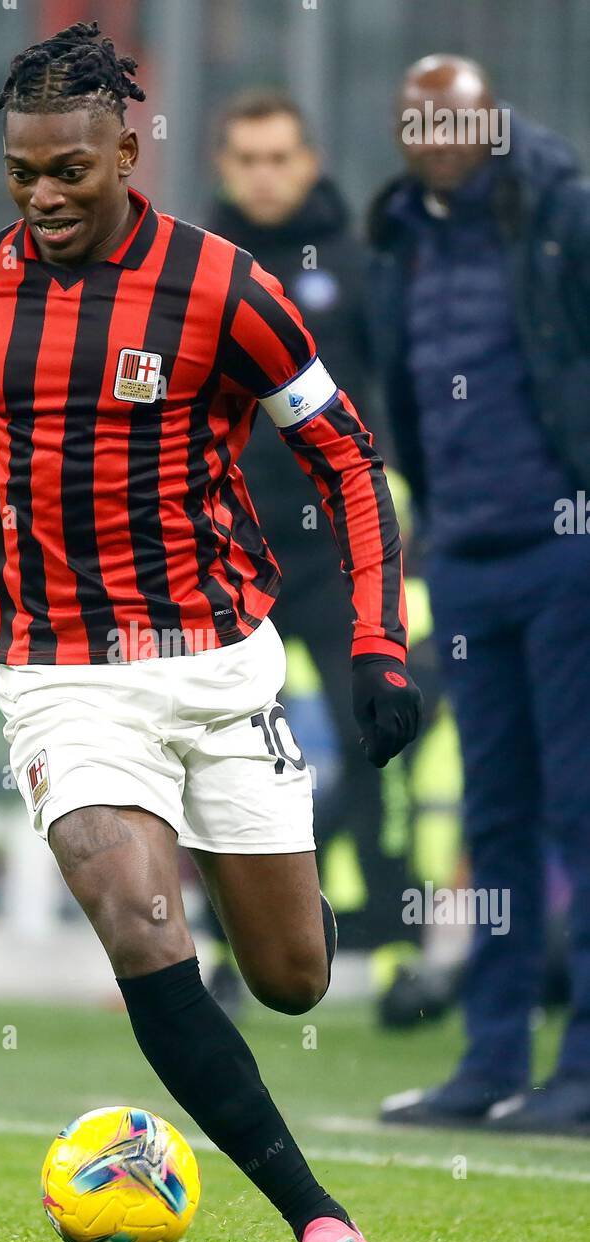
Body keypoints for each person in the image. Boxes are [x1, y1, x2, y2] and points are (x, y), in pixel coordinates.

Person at [0, 21, 420, 1242]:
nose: (44, 197)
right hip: (60, 667)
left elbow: (348, 456)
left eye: (70, 171)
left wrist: (372, 639)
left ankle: (278, 916)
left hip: (218, 660)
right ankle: (319, 1220)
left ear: (127, 150)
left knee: (292, 979)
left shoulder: (225, 290)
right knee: (132, 910)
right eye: (23, 174)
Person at [369, 55, 590, 1134]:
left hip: (565, 550)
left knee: (580, 811)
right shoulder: (401, 236)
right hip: (461, 555)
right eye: (418, 116)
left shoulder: (561, 215)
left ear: (493, 118)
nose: (437, 131)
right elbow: (401, 389)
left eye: (456, 113)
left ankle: (585, 1067)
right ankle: (489, 1059)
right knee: (493, 818)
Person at [205, 91, 424, 1015]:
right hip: (229, 552)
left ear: (310, 159)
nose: (264, 174)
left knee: (379, 741)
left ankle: (395, 952)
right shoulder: (194, 269)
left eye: (279, 156)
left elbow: (401, 398)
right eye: (247, 158)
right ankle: (228, 954)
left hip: (338, 552)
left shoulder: (362, 264)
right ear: (223, 167)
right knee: (220, 756)